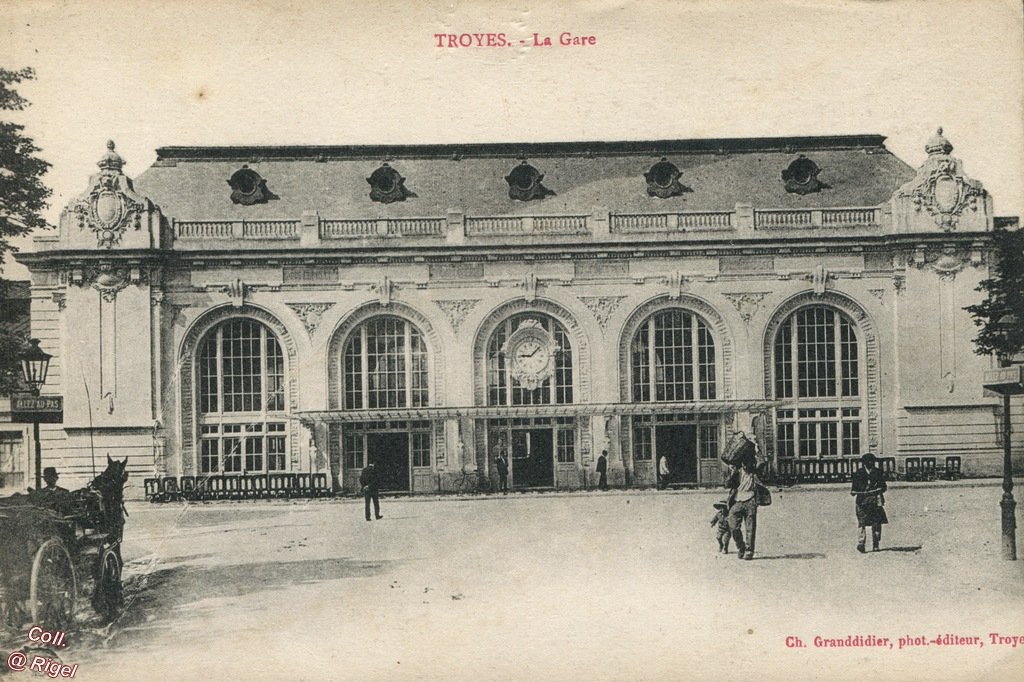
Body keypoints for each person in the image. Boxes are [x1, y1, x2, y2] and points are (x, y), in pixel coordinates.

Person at [725, 455, 763, 560]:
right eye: (744, 464)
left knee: (750, 527)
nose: (746, 466)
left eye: (749, 464)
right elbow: (727, 484)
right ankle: (741, 546)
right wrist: (732, 473)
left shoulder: (755, 474)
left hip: (750, 500)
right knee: (733, 526)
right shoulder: (737, 472)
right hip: (737, 500)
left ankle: (749, 550)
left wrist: (756, 446)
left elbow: (762, 462)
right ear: (741, 464)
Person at [851, 453, 888, 552]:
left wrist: (879, 489)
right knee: (862, 522)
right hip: (862, 502)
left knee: (876, 522)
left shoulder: (878, 472)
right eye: (867, 462)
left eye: (871, 461)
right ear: (863, 463)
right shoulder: (858, 473)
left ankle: (876, 544)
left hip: (875, 501)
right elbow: (854, 489)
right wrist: (855, 491)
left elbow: (884, 487)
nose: (869, 463)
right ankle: (861, 543)